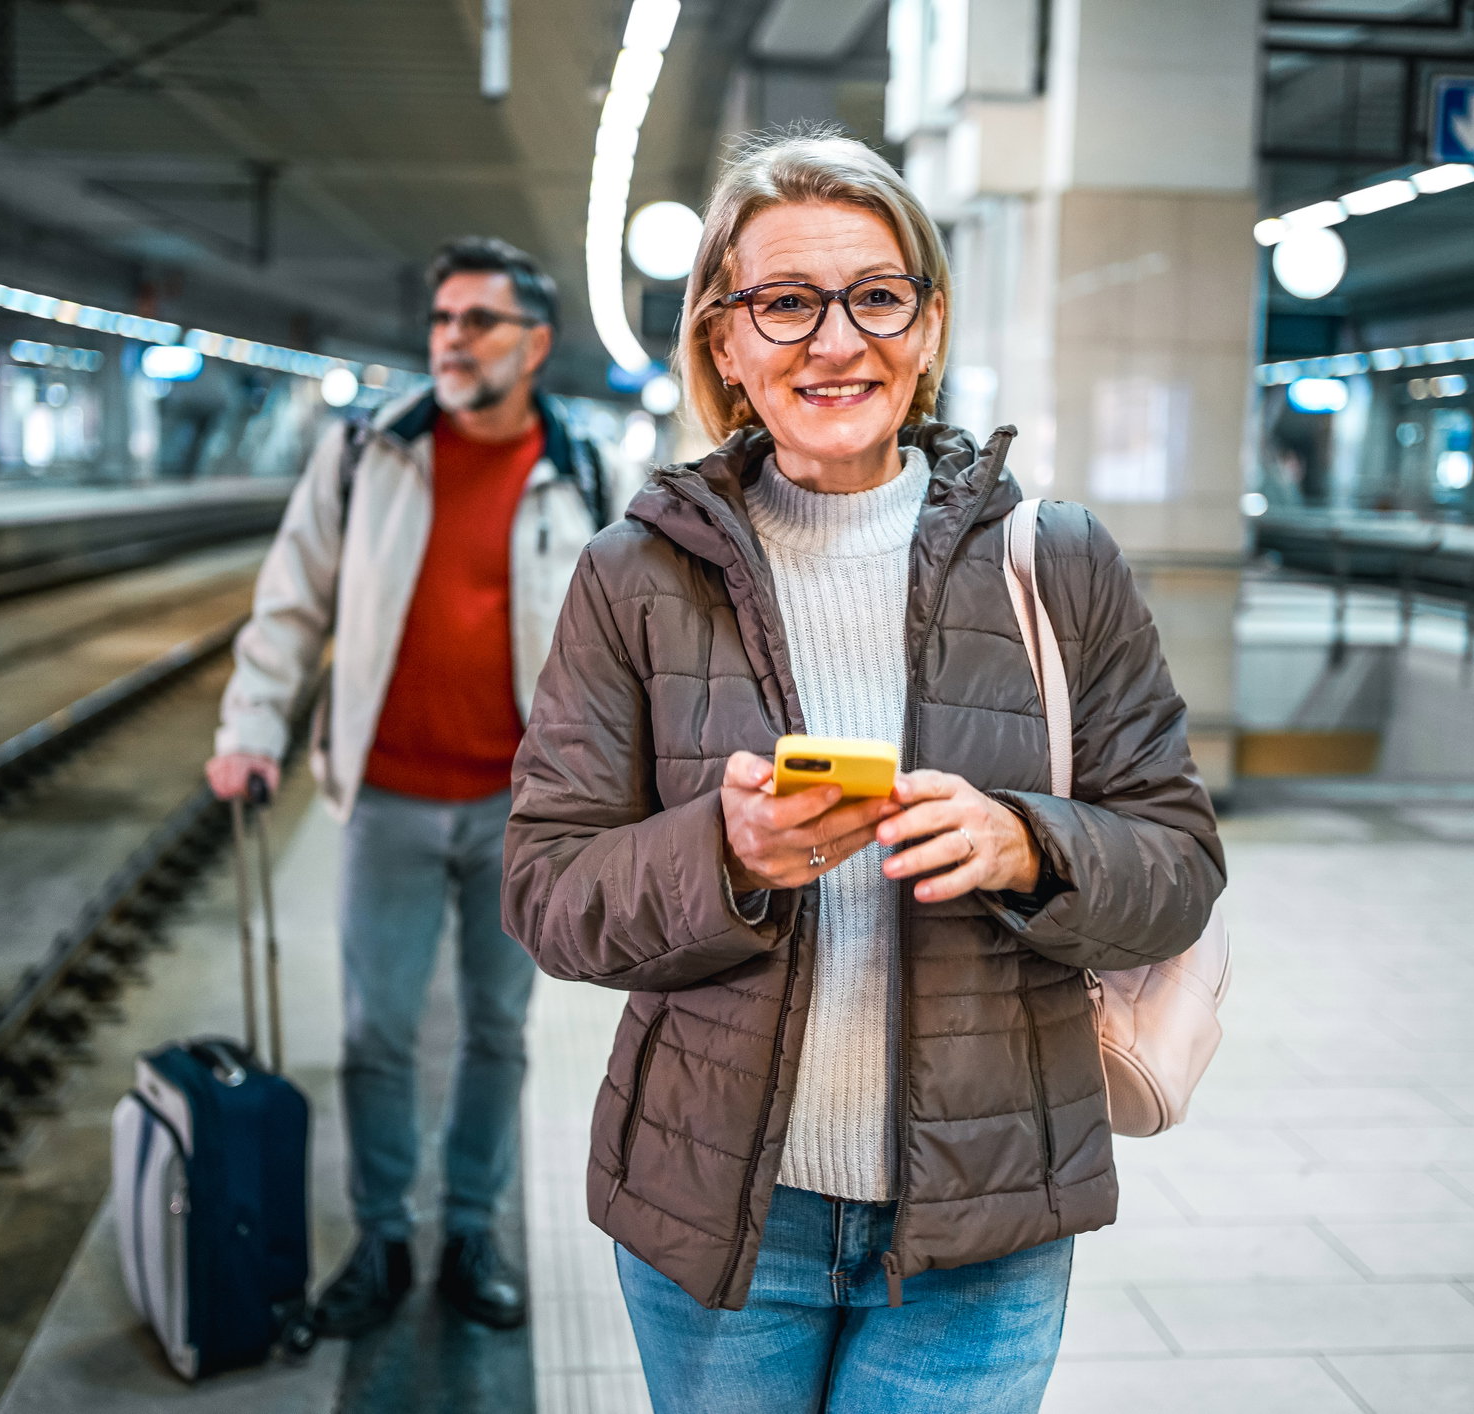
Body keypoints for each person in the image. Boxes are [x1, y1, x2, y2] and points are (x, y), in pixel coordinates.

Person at [503, 131, 1225, 1410]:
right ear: (724, 342)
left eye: (876, 296)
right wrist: (722, 858)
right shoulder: (635, 578)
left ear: (928, 323)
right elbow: (548, 891)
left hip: (984, 1213)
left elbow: (1177, 865)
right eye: (785, 304)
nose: (836, 341)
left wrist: (1030, 844)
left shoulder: (1056, 563)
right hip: (722, 1208)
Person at [207, 236, 632, 1336]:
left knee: (498, 1028)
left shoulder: (582, 475)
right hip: (388, 797)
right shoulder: (368, 454)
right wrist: (252, 725)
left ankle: (471, 1229)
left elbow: (632, 641)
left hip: (520, 810)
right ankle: (384, 1237)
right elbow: (290, 602)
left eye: (479, 321)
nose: (452, 339)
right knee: (373, 1032)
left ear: (534, 343)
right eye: (443, 319)